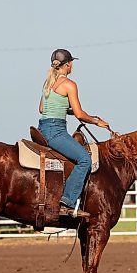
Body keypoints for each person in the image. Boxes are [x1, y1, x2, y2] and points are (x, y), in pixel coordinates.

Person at [38, 49, 109, 218]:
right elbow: (79, 114)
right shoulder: (69, 85)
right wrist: (96, 121)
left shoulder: (48, 83)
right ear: (68, 65)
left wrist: (65, 109)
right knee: (84, 159)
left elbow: (42, 109)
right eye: (72, 63)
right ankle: (67, 203)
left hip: (43, 128)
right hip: (56, 130)